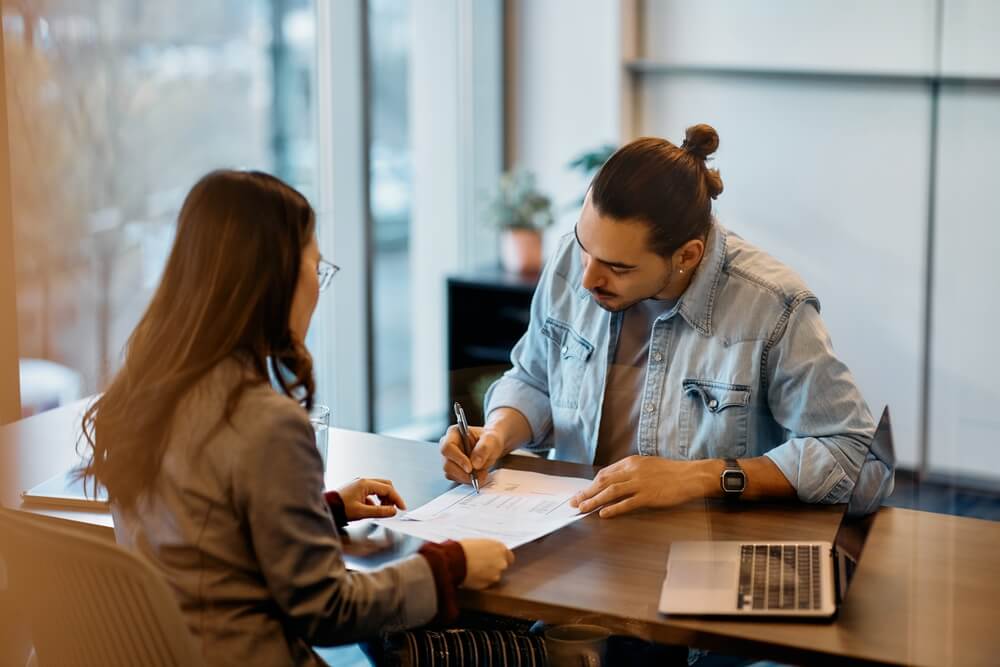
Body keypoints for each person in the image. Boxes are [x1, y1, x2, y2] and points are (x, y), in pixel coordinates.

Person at [78, 170, 513, 666]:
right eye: (317, 267)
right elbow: (328, 610)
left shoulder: (144, 394)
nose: (318, 288)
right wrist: (450, 565)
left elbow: (204, 538)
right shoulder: (264, 422)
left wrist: (321, 510)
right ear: (275, 278)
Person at [441, 124, 892, 517]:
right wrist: (497, 434)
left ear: (686, 256)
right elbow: (535, 380)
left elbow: (855, 456)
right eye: (584, 245)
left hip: (702, 549)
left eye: (618, 267)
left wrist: (699, 478)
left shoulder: (772, 305)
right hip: (570, 531)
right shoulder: (571, 261)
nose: (587, 277)